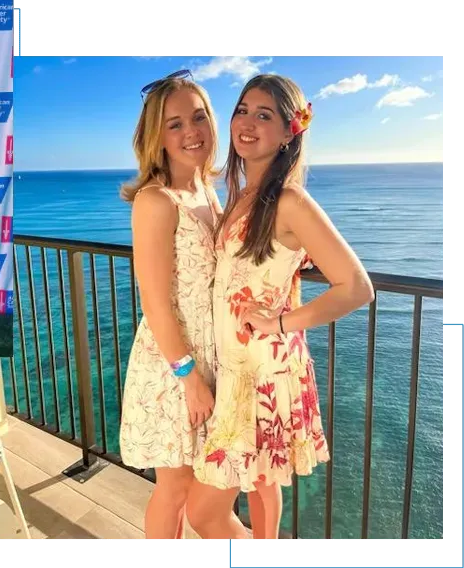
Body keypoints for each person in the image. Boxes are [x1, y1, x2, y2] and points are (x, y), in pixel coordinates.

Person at [186, 74, 375, 540]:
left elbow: (356, 286)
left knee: (203, 512)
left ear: (291, 132)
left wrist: (282, 320)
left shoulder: (290, 200)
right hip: (241, 369)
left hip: (261, 372)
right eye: (242, 110)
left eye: (264, 115)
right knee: (262, 481)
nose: (247, 123)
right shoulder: (247, 195)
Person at [118, 70, 250, 540]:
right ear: (157, 136)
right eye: (175, 124)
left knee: (203, 486)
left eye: (198, 117)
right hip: (176, 369)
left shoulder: (208, 191)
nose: (190, 131)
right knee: (174, 490)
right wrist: (190, 378)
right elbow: (154, 301)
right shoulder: (156, 200)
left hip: (213, 361)